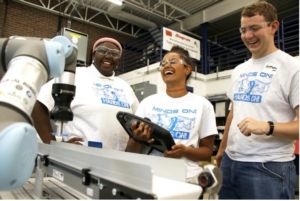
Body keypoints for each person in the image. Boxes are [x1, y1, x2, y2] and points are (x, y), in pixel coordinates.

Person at [216, 1, 299, 199]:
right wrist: (222, 151)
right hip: (230, 162)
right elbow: (233, 114)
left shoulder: (292, 68)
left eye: (255, 28)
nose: (248, 36)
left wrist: (267, 126)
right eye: (243, 30)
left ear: (273, 26)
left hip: (268, 167)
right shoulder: (239, 70)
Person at [126, 46, 218, 184]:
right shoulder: (147, 103)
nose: (166, 65)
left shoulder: (203, 105)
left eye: (173, 61)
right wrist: (138, 138)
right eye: (163, 64)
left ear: (187, 69)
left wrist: (185, 151)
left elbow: (207, 152)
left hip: (187, 179)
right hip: (150, 176)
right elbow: (130, 151)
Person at [31, 37, 139, 151]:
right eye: (102, 50)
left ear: (119, 59)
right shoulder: (74, 75)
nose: (108, 55)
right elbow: (38, 104)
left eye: (115, 53)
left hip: (117, 162)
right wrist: (53, 146)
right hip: (79, 159)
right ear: (93, 54)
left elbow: (139, 121)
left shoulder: (125, 86)